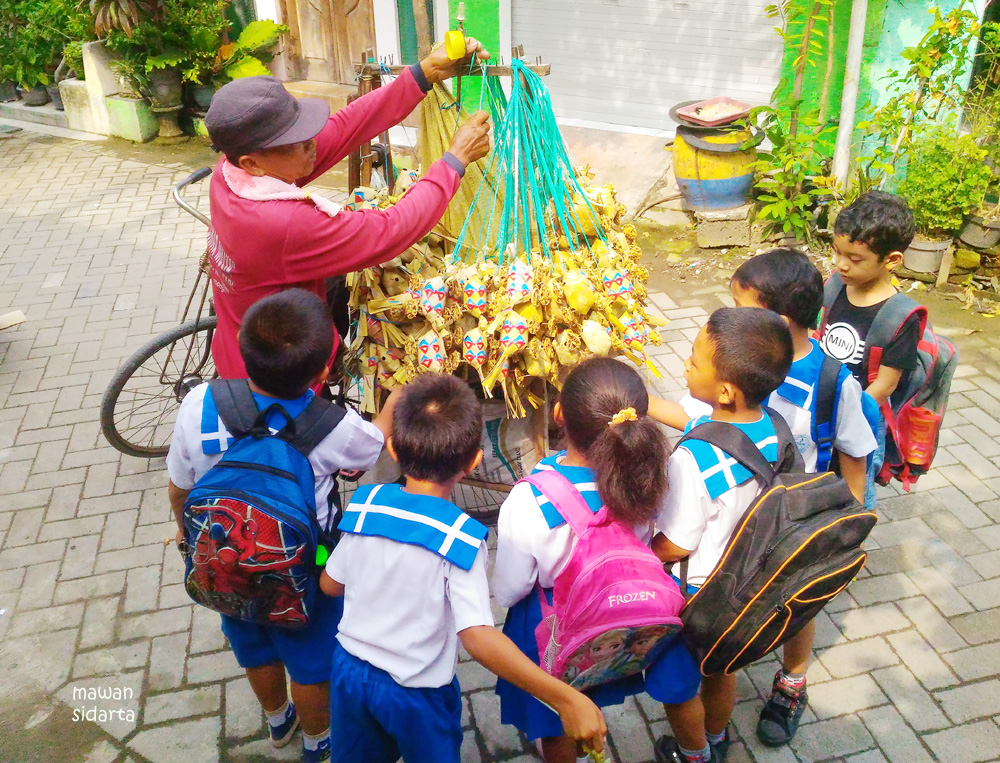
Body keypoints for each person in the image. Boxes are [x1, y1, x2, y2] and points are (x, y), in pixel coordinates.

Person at [318, 373, 606, 763]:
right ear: (473, 461)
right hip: (418, 693)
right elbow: (477, 636)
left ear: (393, 447)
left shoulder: (365, 505)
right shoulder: (461, 538)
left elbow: (330, 584)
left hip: (349, 674)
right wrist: (564, 697)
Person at [166, 289, 397, 763]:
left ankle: (278, 721)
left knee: (253, 648)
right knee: (311, 665)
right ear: (323, 374)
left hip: (226, 560)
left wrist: (183, 531)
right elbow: (374, 445)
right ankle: (318, 742)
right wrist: (397, 398)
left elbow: (178, 486)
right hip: (305, 569)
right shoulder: (333, 427)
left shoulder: (198, 403)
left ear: (241, 349)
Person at [203, 39, 492, 381]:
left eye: (305, 129)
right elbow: (391, 230)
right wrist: (454, 161)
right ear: (252, 163)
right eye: (296, 142)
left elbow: (345, 127)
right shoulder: (281, 223)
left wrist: (424, 72)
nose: (312, 142)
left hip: (237, 346)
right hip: (277, 378)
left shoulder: (229, 175)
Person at [491, 357, 701, 763]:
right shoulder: (650, 478)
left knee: (556, 716)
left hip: (555, 626)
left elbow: (509, 590)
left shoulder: (531, 499)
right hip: (620, 614)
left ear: (558, 415)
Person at [729, 249, 877, 747]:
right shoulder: (741, 358)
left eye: (740, 306)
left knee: (798, 604)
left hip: (798, 521)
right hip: (740, 509)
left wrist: (843, 531)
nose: (730, 315)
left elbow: (854, 458)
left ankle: (792, 681)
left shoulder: (833, 382)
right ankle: (727, 658)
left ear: (779, 318)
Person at [651, 307, 794, 763]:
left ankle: (693, 754)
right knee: (722, 669)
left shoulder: (696, 458)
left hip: (697, 595)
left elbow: (678, 542)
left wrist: (640, 555)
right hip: (745, 584)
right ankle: (716, 737)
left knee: (677, 685)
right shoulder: (773, 426)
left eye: (694, 361)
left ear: (726, 391)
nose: (686, 365)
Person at [817, 191, 920, 407]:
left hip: (859, 413)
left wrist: (846, 416)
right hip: (817, 401)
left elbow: (885, 385)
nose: (841, 264)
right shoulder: (833, 286)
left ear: (891, 260)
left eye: (854, 259)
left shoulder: (900, 318)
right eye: (837, 252)